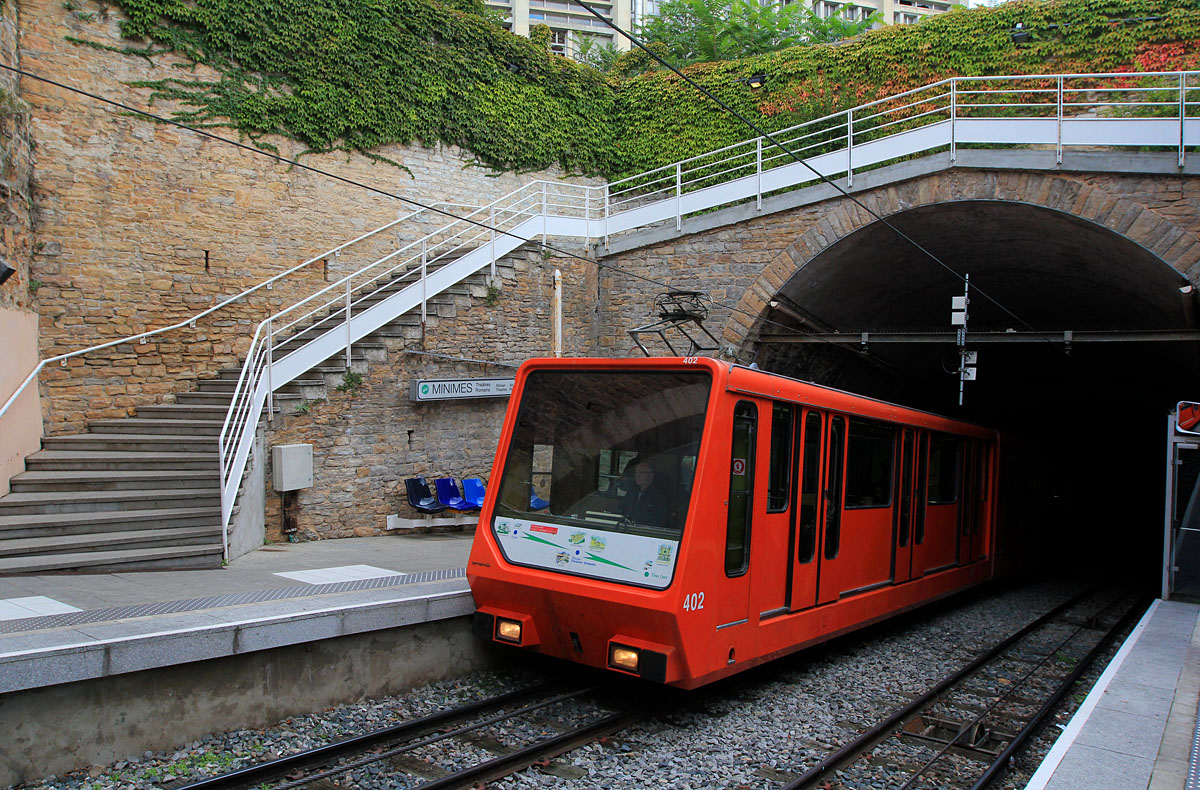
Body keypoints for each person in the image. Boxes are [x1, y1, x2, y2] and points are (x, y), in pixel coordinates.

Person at [621, 460, 671, 527]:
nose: (637, 476)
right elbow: (622, 511)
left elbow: (660, 521)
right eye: (636, 473)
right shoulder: (632, 492)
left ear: (651, 475)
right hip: (628, 529)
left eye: (642, 473)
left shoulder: (659, 496)